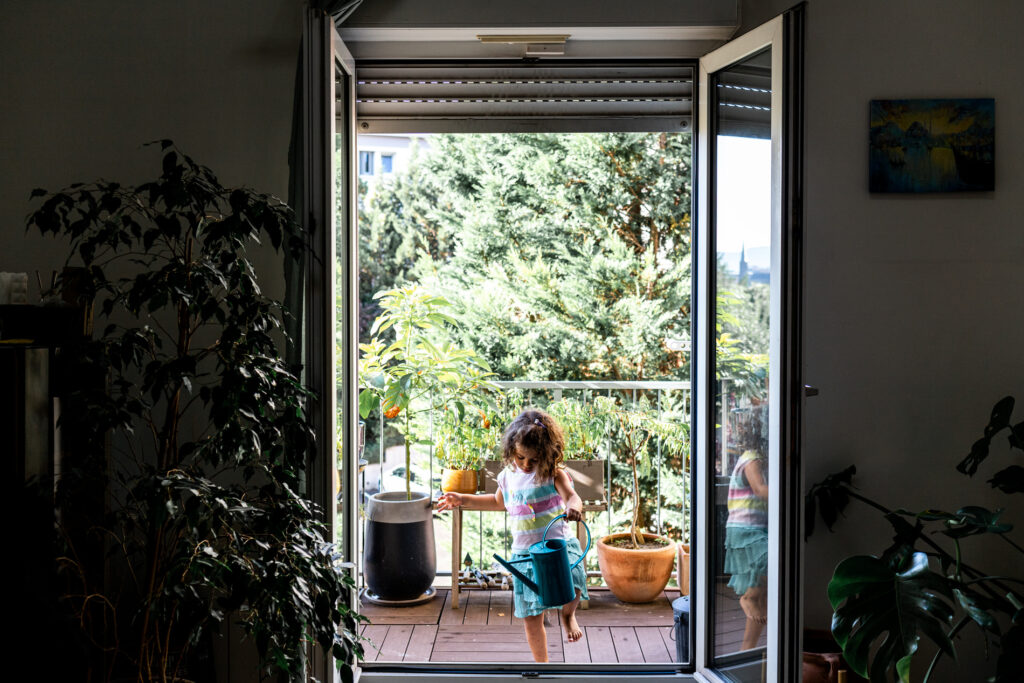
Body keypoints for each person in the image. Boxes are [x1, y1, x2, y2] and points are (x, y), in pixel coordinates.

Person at [437, 408, 589, 662]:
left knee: (574, 582)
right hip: (525, 554)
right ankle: (543, 665)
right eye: (520, 458)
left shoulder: (554, 474)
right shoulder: (508, 477)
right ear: (511, 451)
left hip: (556, 546)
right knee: (531, 617)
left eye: (534, 459)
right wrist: (462, 498)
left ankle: (568, 615)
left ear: (547, 455)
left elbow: (572, 496)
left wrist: (574, 506)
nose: (527, 465)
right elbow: (498, 502)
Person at [724, 405, 769, 651]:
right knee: (769, 557)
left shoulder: (754, 458)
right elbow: (761, 492)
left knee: (764, 598)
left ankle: (746, 650)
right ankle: (747, 597)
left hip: (752, 528)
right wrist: (788, 492)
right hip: (745, 528)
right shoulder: (752, 459)